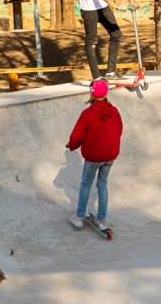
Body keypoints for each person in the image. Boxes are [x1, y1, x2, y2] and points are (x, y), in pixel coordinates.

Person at [67, 79, 123, 230]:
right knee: (102, 185)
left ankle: (79, 216)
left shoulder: (88, 113)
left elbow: (78, 136)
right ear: (107, 93)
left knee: (86, 184)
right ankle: (102, 220)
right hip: (110, 156)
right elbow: (119, 130)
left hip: (93, 157)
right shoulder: (115, 111)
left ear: (91, 94)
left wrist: (71, 146)